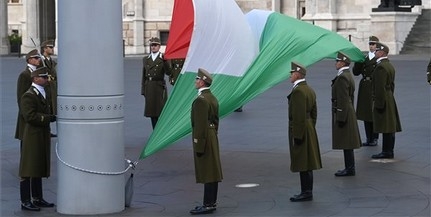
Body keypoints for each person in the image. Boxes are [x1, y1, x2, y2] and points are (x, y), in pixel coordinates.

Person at [19, 67, 56, 211]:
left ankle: (38, 198)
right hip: (32, 135)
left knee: (38, 165)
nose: (47, 79)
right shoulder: (28, 95)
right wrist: (49, 118)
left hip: (41, 133)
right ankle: (25, 200)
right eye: (44, 77)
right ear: (35, 79)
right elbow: (30, 116)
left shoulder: (42, 92)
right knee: (28, 168)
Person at [287, 62, 322, 202]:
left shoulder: (298, 91)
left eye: (291, 73)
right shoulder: (309, 89)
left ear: (297, 74)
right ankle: (307, 190)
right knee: (307, 161)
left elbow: (299, 115)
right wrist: (310, 126)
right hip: (308, 128)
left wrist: (297, 134)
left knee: (303, 161)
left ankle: (306, 192)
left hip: (301, 129)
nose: (290, 75)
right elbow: (314, 112)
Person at [189, 68, 223, 214]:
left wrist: (198, 143)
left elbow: (200, 125)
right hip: (211, 135)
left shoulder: (201, 101)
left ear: (202, 81)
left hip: (204, 137)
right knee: (213, 170)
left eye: (197, 79)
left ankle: (208, 204)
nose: (195, 81)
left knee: (208, 171)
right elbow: (215, 121)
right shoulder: (212, 97)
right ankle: (211, 202)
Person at [331, 52, 361, 177]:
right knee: (347, 142)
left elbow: (343, 99)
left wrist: (340, 116)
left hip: (345, 112)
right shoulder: (346, 75)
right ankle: (349, 167)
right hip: (348, 111)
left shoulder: (343, 77)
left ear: (343, 62)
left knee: (347, 142)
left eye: (337, 61)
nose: (336, 63)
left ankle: (349, 168)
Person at [371, 42, 402, 159]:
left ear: (382, 53)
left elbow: (379, 87)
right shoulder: (389, 65)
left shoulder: (381, 67)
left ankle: (386, 151)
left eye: (377, 51)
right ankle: (389, 150)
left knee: (385, 125)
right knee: (390, 125)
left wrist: (378, 103)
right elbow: (392, 84)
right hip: (389, 96)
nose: (375, 53)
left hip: (383, 97)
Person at [353, 36, 379, 146]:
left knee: (373, 113)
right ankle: (369, 137)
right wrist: (358, 61)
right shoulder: (364, 58)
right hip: (364, 86)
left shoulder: (378, 59)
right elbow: (356, 72)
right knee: (365, 113)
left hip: (373, 86)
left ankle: (374, 138)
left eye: (373, 44)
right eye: (370, 44)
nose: (372, 46)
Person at [141, 37, 171, 129]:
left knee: (160, 112)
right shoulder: (146, 59)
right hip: (149, 87)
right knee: (152, 113)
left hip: (158, 87)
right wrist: (143, 90)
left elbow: (168, 72)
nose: (153, 47)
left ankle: (160, 132)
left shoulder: (163, 58)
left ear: (159, 46)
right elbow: (144, 75)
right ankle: (154, 131)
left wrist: (165, 61)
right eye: (152, 45)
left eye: (155, 45)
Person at [15, 49, 42, 147]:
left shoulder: (37, 72)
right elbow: (21, 96)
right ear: (29, 60)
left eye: (38, 58)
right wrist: (24, 113)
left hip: (35, 112)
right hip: (27, 113)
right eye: (36, 58)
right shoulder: (25, 75)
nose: (38, 60)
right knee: (26, 142)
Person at [41, 39, 58, 137]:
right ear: (45, 49)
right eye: (50, 47)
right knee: (46, 108)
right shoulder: (41, 61)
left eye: (52, 47)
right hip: (46, 88)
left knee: (52, 108)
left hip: (52, 87)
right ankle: (46, 129)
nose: (52, 49)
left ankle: (49, 130)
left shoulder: (52, 61)